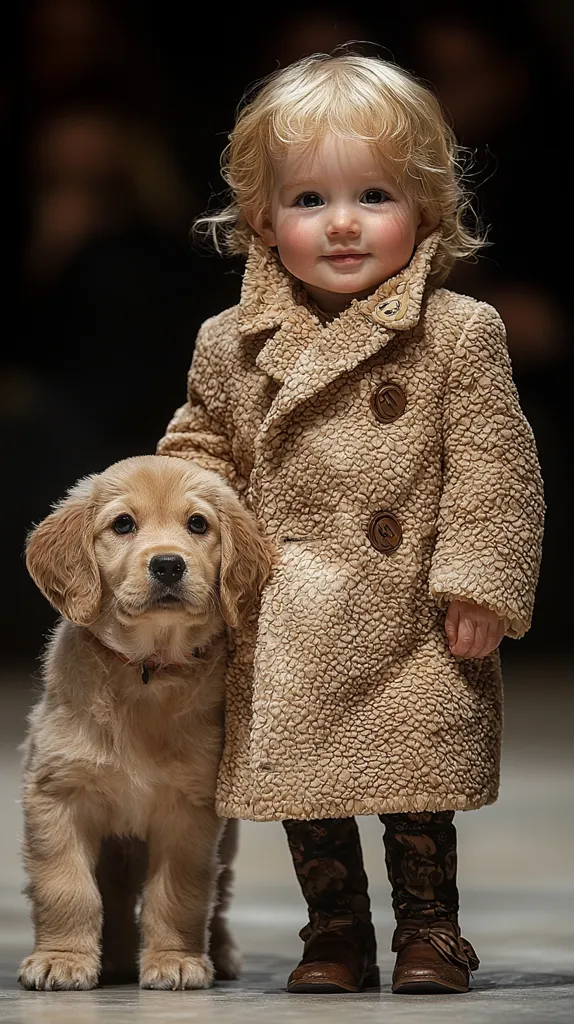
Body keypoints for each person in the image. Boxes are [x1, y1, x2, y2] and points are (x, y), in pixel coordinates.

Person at [156, 51, 544, 996]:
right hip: (287, 607)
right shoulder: (230, 340)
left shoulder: (460, 331)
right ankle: (334, 930)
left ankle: (432, 930)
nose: (342, 223)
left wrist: (480, 580)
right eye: (308, 200)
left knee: (414, 788)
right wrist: (199, 547)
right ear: (259, 217)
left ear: (426, 210)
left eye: (373, 194)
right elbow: (199, 448)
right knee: (307, 787)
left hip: (408, 607)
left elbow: (496, 466)